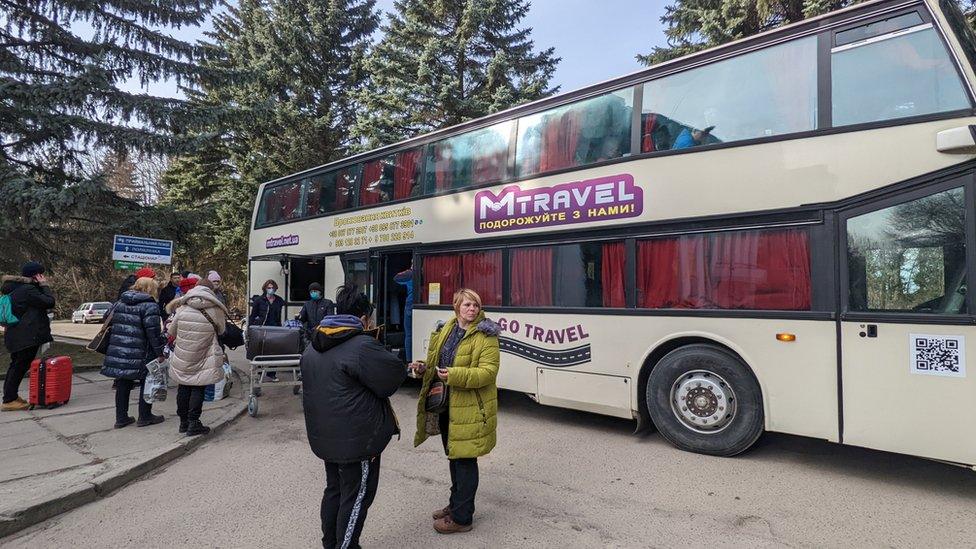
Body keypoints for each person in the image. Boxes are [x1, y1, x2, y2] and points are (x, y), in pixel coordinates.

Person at [300, 284, 405, 549]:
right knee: (357, 497)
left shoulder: (313, 345)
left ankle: (331, 543)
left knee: (334, 490)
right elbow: (390, 378)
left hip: (326, 437)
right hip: (358, 441)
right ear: (362, 319)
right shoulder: (360, 345)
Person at [408, 288, 500, 534]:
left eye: (476, 306)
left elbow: (488, 373)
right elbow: (439, 363)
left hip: (470, 409)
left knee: (465, 462)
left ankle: (462, 518)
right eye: (467, 305)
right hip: (448, 406)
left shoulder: (486, 335)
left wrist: (454, 375)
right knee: (453, 457)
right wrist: (423, 367)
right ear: (456, 307)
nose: (472, 309)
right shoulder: (447, 328)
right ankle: (455, 505)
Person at [100, 277, 166, 428]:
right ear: (150, 289)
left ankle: (121, 418)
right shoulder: (150, 306)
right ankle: (145, 416)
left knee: (123, 382)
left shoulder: (120, 302)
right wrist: (160, 353)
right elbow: (153, 333)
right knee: (147, 381)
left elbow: (106, 318)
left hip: (119, 349)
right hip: (142, 350)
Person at [166, 277, 228, 436]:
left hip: (183, 353)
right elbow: (221, 330)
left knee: (183, 386)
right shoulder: (215, 308)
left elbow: (171, 331)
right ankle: (194, 422)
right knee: (198, 386)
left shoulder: (182, 306)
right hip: (204, 352)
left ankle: (183, 423)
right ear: (210, 291)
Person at [1, 262, 55, 411]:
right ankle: (9, 400)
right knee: (19, 367)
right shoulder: (28, 290)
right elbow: (49, 302)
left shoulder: (13, 289)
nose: (43, 277)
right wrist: (44, 285)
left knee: (15, 366)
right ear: (36, 275)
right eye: (41, 275)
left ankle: (10, 396)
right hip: (27, 336)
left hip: (15, 334)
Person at [249, 279, 285, 381]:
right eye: (269, 287)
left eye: (272, 287)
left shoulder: (279, 300)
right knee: (261, 351)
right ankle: (259, 372)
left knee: (275, 352)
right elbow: (253, 315)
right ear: (265, 288)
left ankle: (271, 374)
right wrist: (250, 328)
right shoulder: (259, 301)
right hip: (262, 328)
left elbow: (279, 315)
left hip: (275, 329)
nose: (271, 289)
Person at [393, 266, 414, 361]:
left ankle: (409, 360)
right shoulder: (430, 273)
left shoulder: (410, 274)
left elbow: (396, 278)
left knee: (409, 334)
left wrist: (411, 270)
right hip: (420, 303)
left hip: (410, 306)